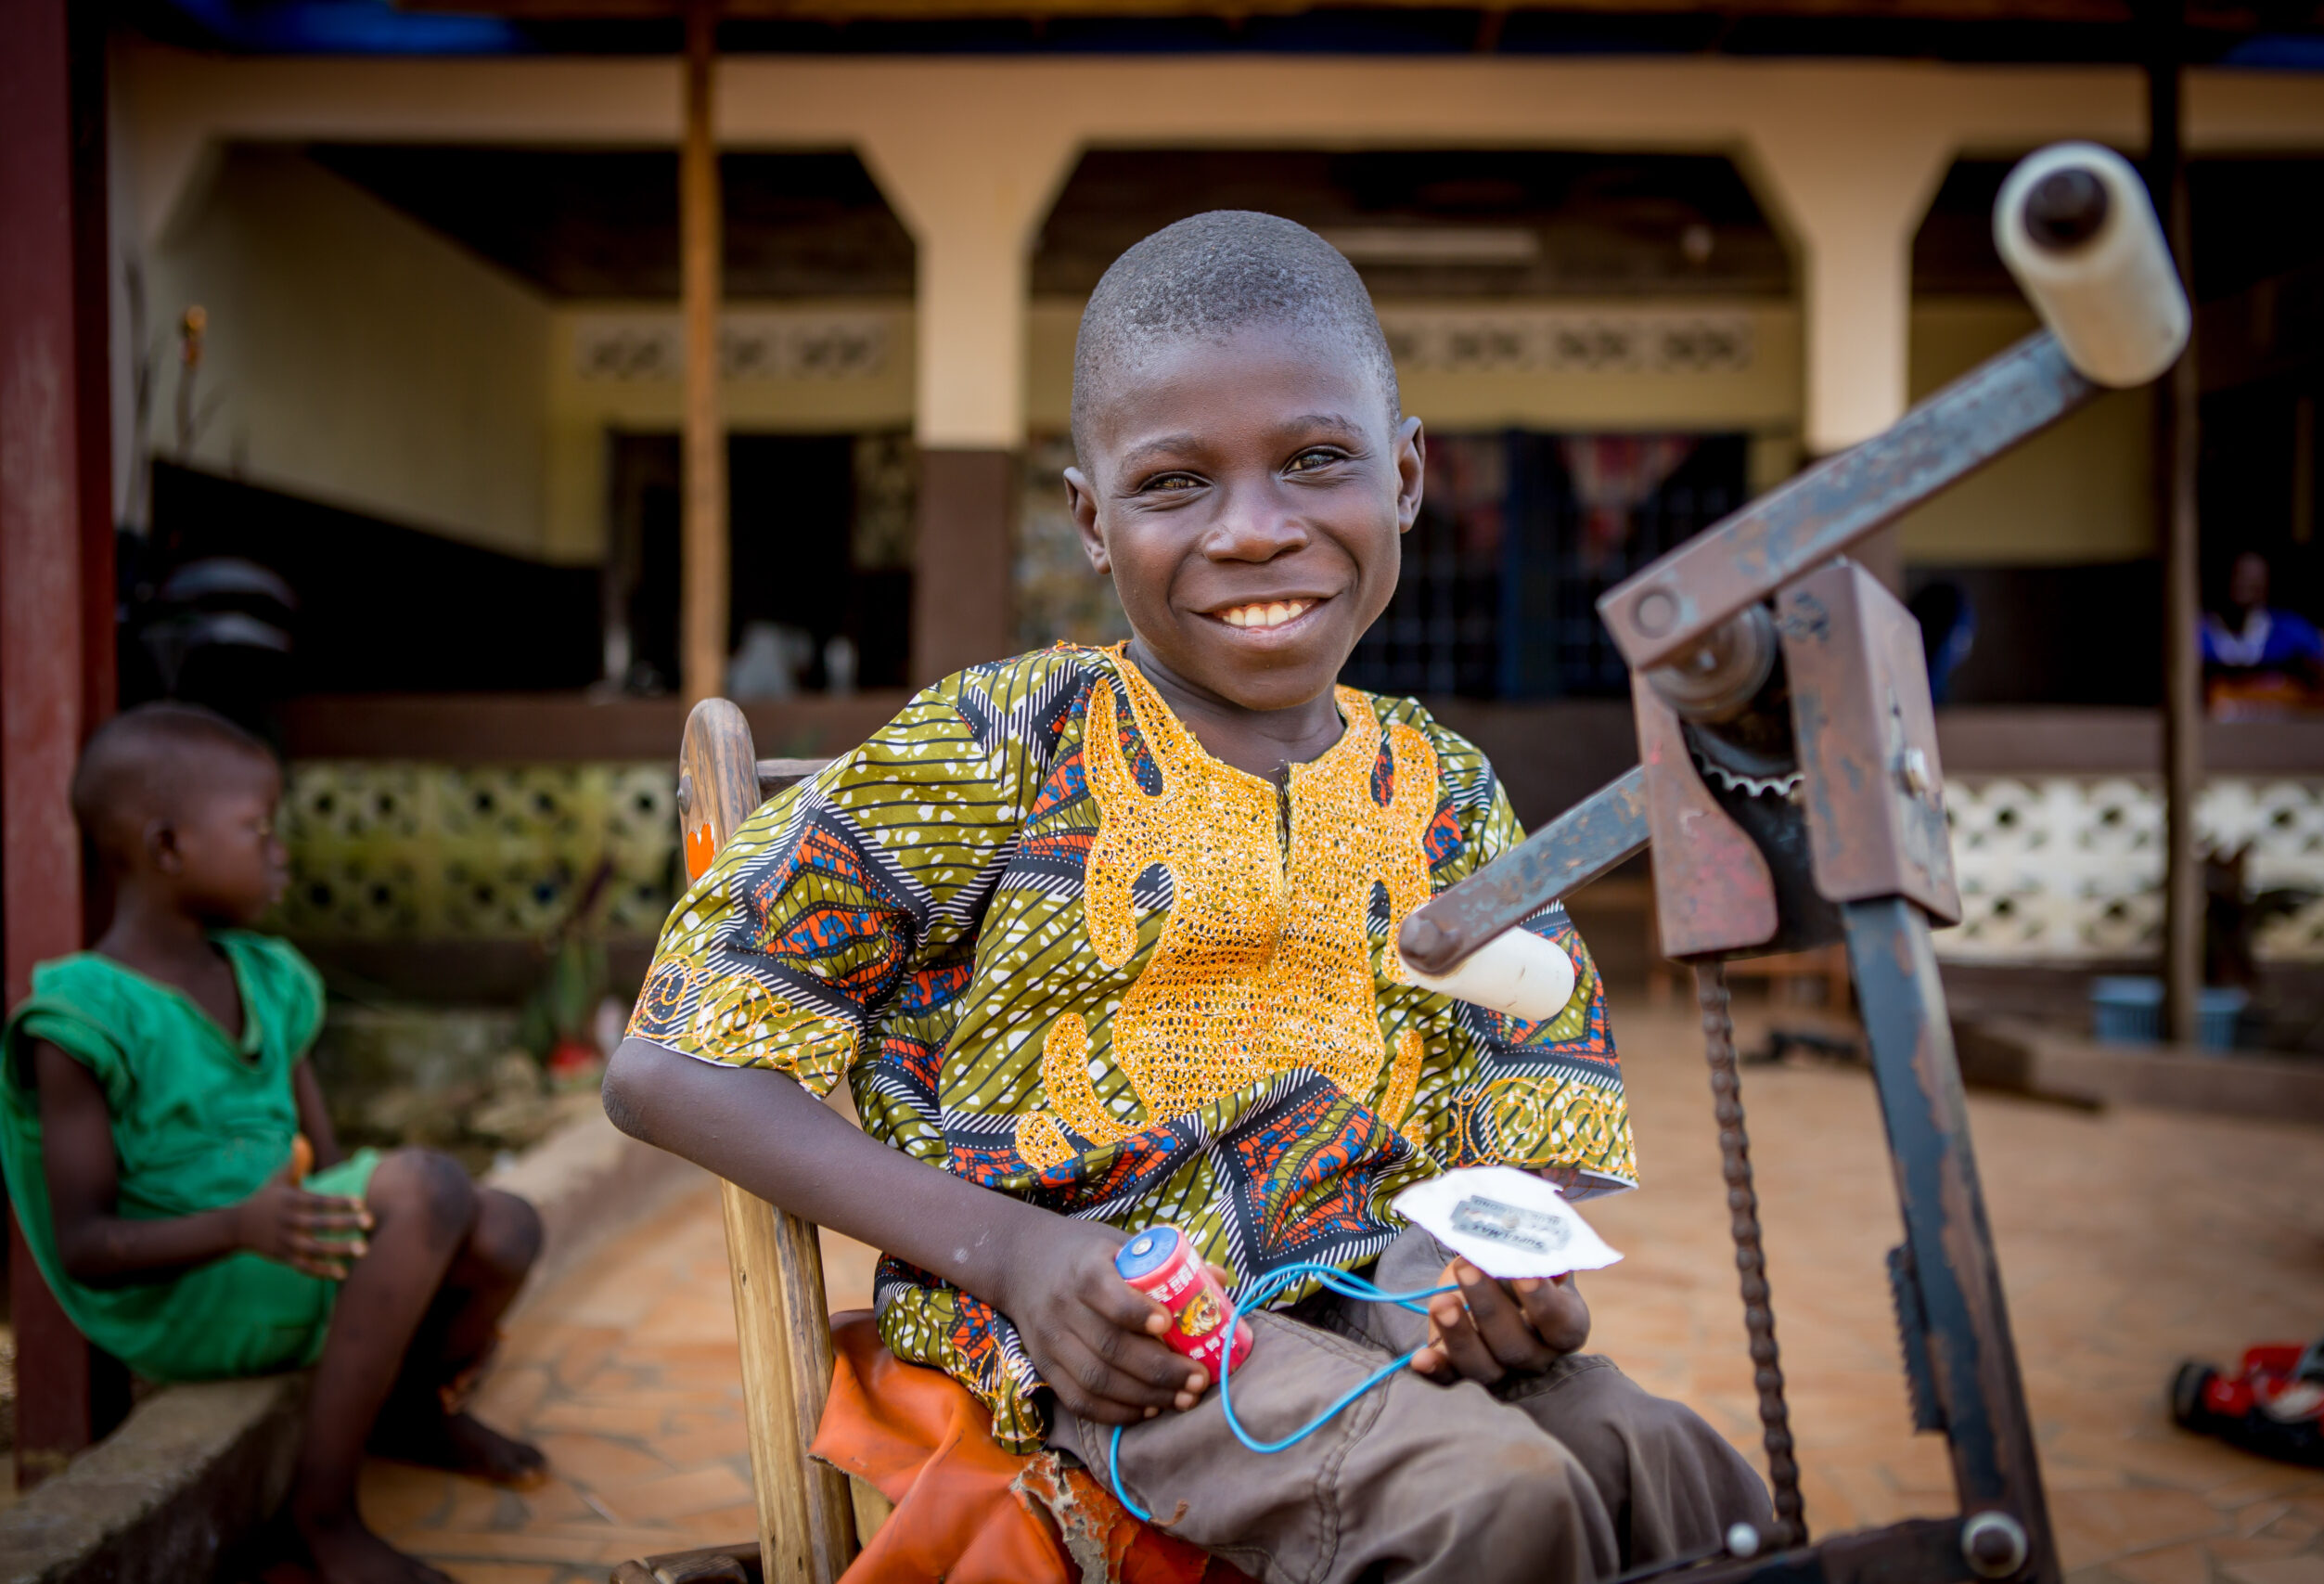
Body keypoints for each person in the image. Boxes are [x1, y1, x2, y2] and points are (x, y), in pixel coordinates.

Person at [605, 211, 1768, 1581]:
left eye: (1317, 460)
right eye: (1175, 484)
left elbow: (1542, 1052)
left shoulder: (1443, 783)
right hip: (1130, 1329)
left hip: (1385, 1289)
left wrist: (1483, 1265)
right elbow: (672, 1064)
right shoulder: (997, 743)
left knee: (1691, 1476)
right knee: (1490, 1502)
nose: (1256, 531)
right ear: (1092, 518)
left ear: (1404, 476)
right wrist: (1015, 1255)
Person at [0, 704, 546, 1584]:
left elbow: (323, 1169)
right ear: (167, 847)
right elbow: (85, 1247)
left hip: (285, 1256)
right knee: (429, 1186)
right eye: (259, 827)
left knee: (510, 1225)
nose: (280, 849)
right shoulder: (79, 1020)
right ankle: (320, 1514)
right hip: (187, 1295)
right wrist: (239, 1225)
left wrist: (298, 1220)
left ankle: (403, 1410)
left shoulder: (267, 978)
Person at [2201, 550, 2324, 719]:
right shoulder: (2201, 632)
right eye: (2237, 576)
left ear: (2265, 586)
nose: (2242, 584)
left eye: (2251, 580)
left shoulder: (2289, 630)